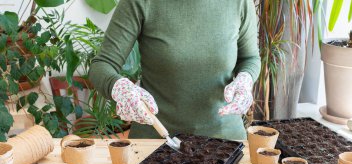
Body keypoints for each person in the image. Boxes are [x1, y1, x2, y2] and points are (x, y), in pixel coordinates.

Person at [89, 0, 261, 140]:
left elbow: (250, 59)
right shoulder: (139, 2)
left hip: (226, 140)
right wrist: (119, 87)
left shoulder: (240, 3)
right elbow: (103, 64)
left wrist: (245, 78)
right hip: (156, 140)